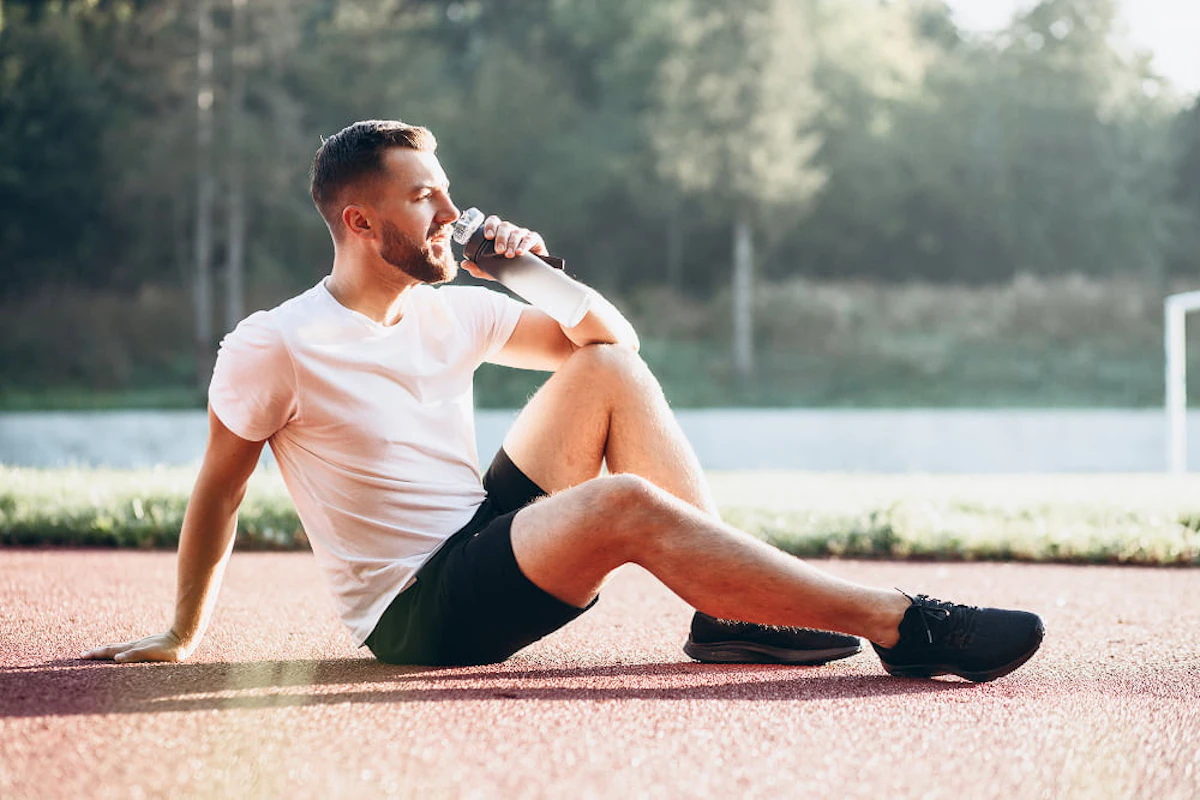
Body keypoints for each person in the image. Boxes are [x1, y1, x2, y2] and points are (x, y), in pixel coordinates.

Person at [82, 120, 1044, 682]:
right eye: (426, 200)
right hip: (419, 614)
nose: (452, 216)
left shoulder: (451, 310)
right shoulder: (274, 343)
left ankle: (730, 618)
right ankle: (907, 625)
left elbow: (613, 345)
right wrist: (182, 632)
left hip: (478, 538)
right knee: (618, 506)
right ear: (359, 221)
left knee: (608, 376)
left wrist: (527, 272)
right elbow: (218, 490)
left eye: (448, 192)